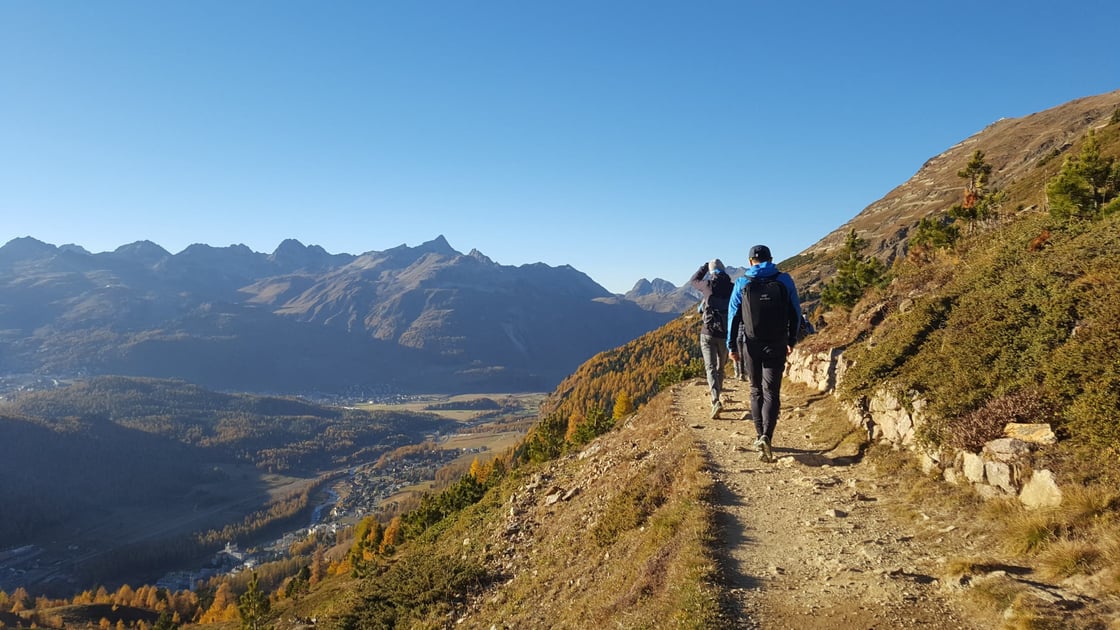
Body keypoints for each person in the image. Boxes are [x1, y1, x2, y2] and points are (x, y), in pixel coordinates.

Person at [727, 245, 801, 461]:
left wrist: (731, 346)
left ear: (750, 261)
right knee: (772, 392)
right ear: (771, 259)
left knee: (755, 390)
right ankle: (767, 436)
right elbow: (795, 311)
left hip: (751, 344)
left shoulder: (742, 283)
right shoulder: (784, 280)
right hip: (777, 343)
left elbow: (733, 317)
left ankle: (759, 435)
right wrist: (791, 340)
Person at [690, 259, 733, 418]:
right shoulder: (732, 287)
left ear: (712, 271)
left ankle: (715, 400)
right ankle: (718, 396)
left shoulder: (707, 285)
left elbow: (693, 280)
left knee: (710, 367)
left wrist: (704, 267)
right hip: (724, 334)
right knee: (721, 368)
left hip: (707, 332)